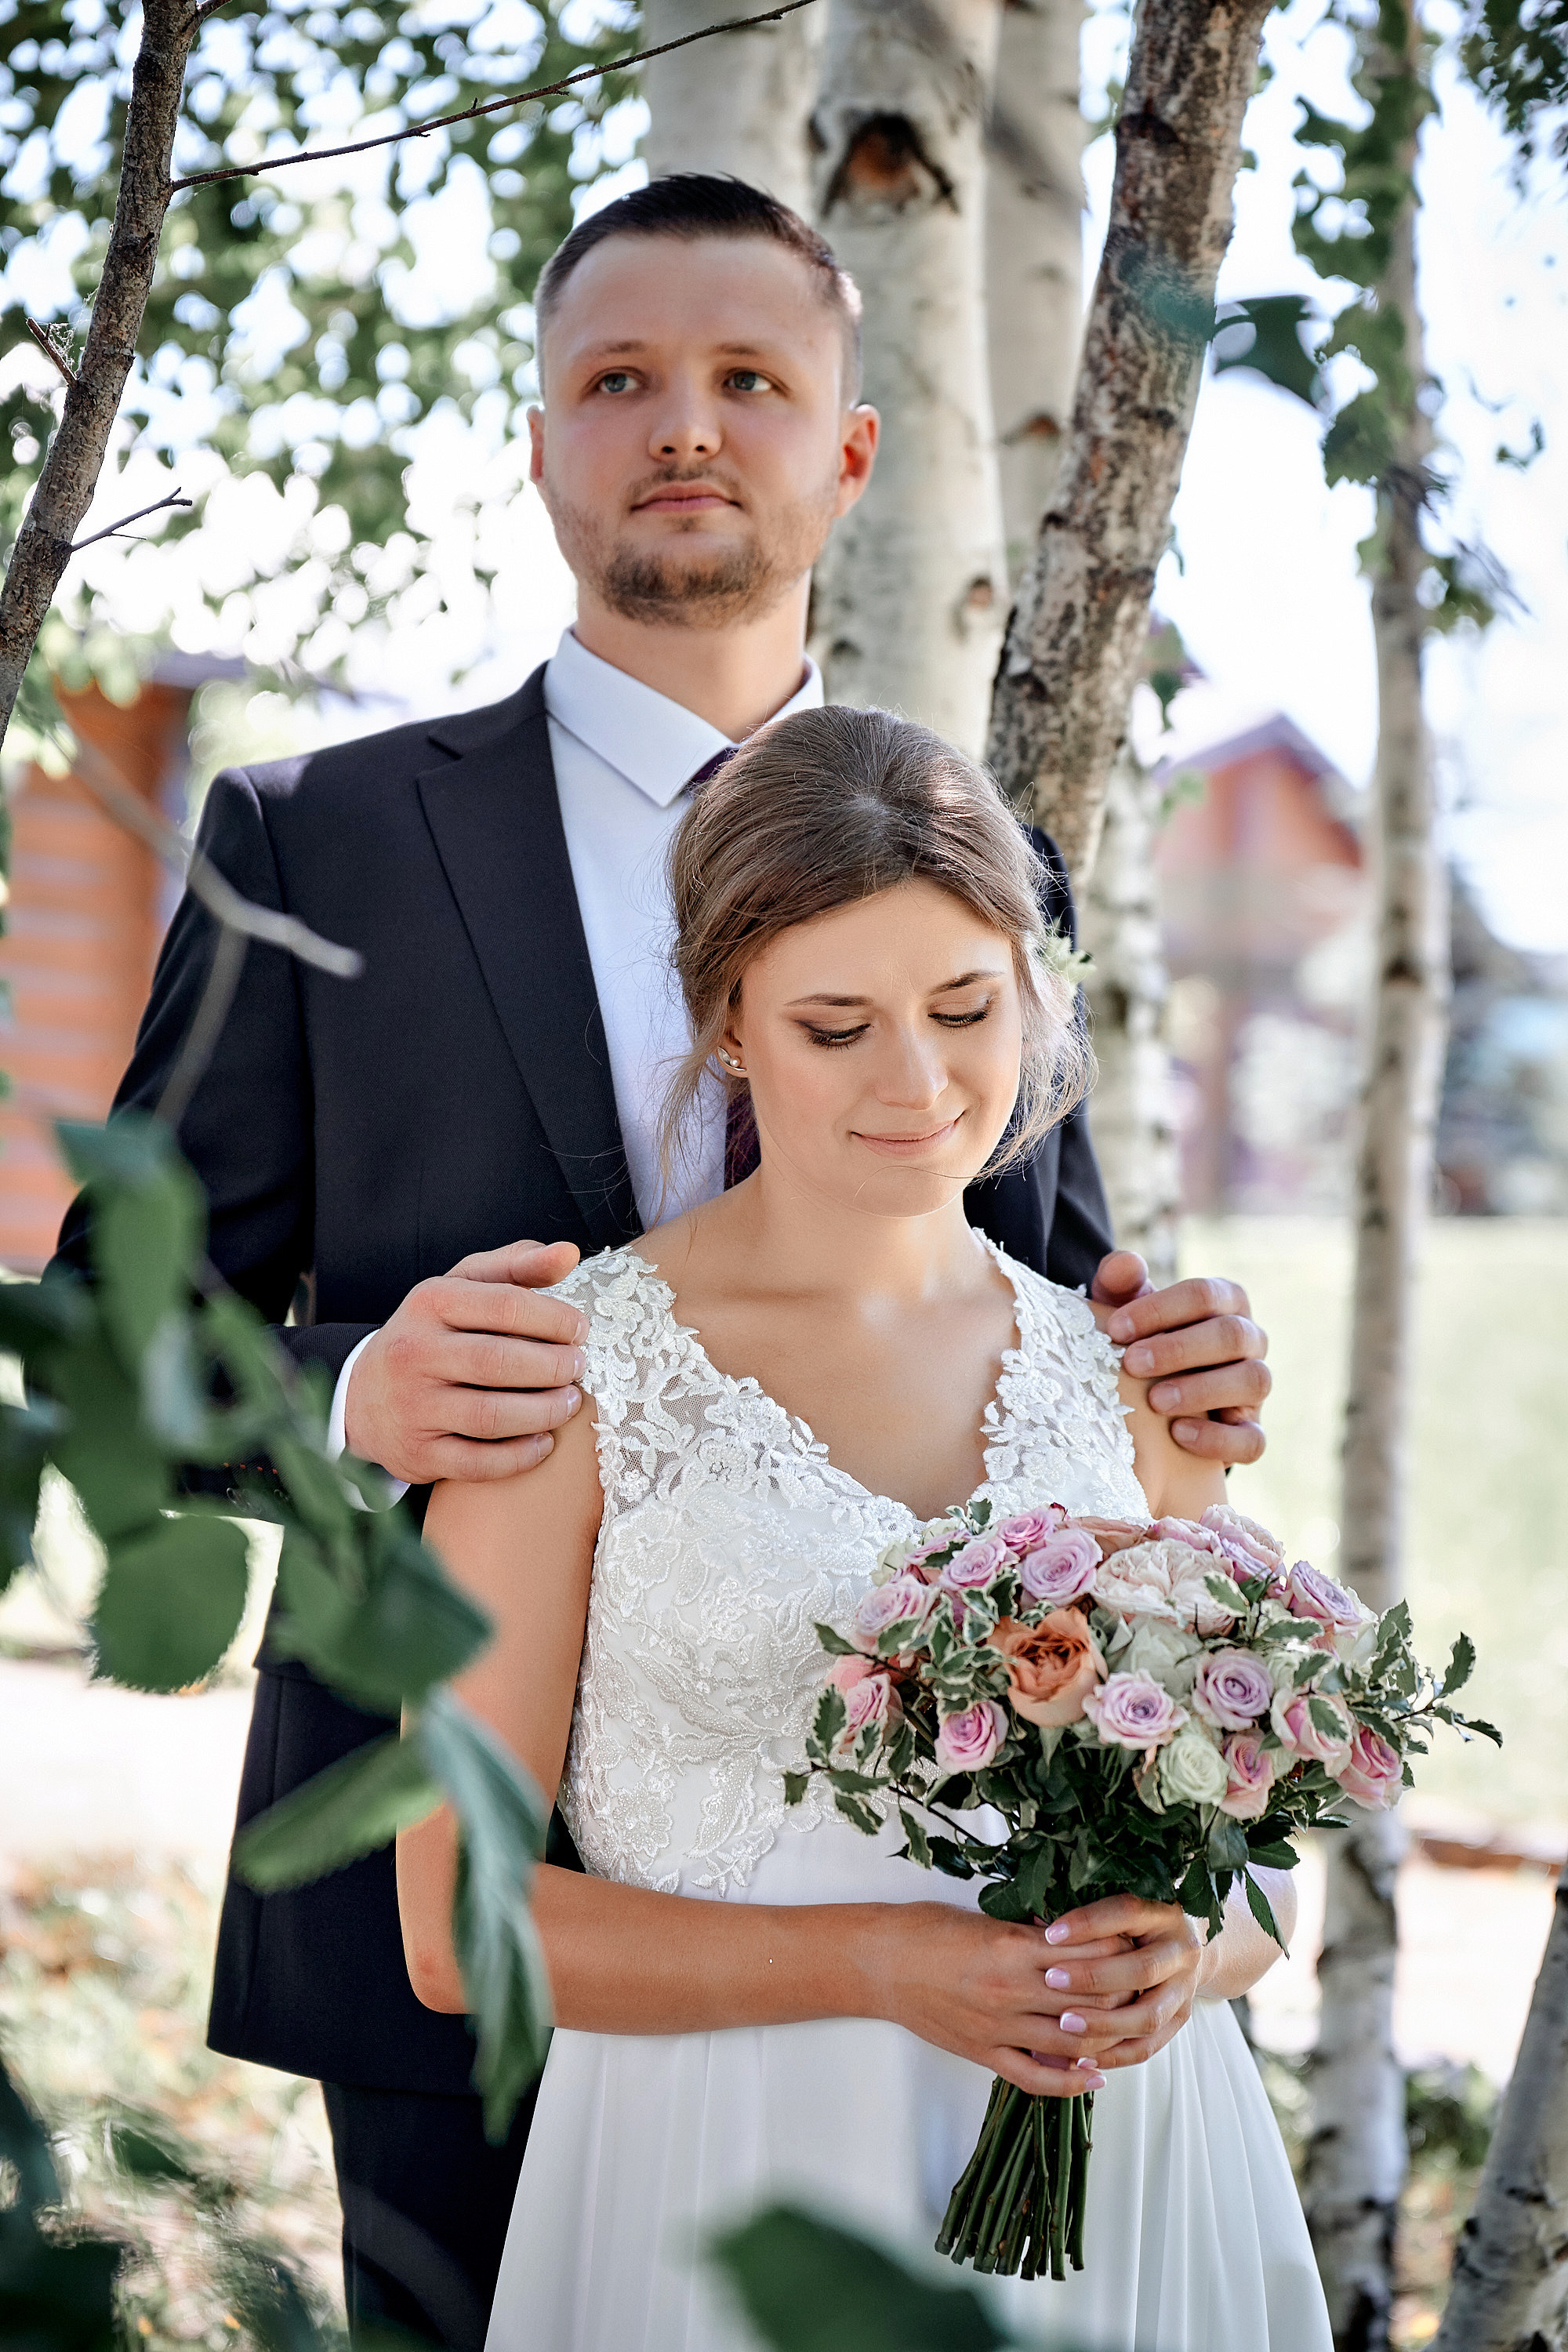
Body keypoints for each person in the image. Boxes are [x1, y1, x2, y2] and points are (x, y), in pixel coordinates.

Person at [53, 177, 1271, 2347]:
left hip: (923, 1950)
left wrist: (1182, 1358)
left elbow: (1045, 1311)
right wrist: (349, 1395)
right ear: (538, 440)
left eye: (750, 382)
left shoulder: (985, 857)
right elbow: (95, 1345)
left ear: (851, 452)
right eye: (619, 381)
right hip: (457, 1925)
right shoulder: (310, 843)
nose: (684, 427)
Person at [397, 707, 1330, 2352]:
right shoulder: (568, 1379)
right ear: (729, 1026)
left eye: (964, 1010)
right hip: (729, 2180)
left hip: (1121, 2183)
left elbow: (1260, 1866)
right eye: (836, 1026)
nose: (915, 1085)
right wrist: (883, 1966)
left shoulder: (1133, 1380)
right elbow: (456, 1930)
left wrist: (1190, 1955)